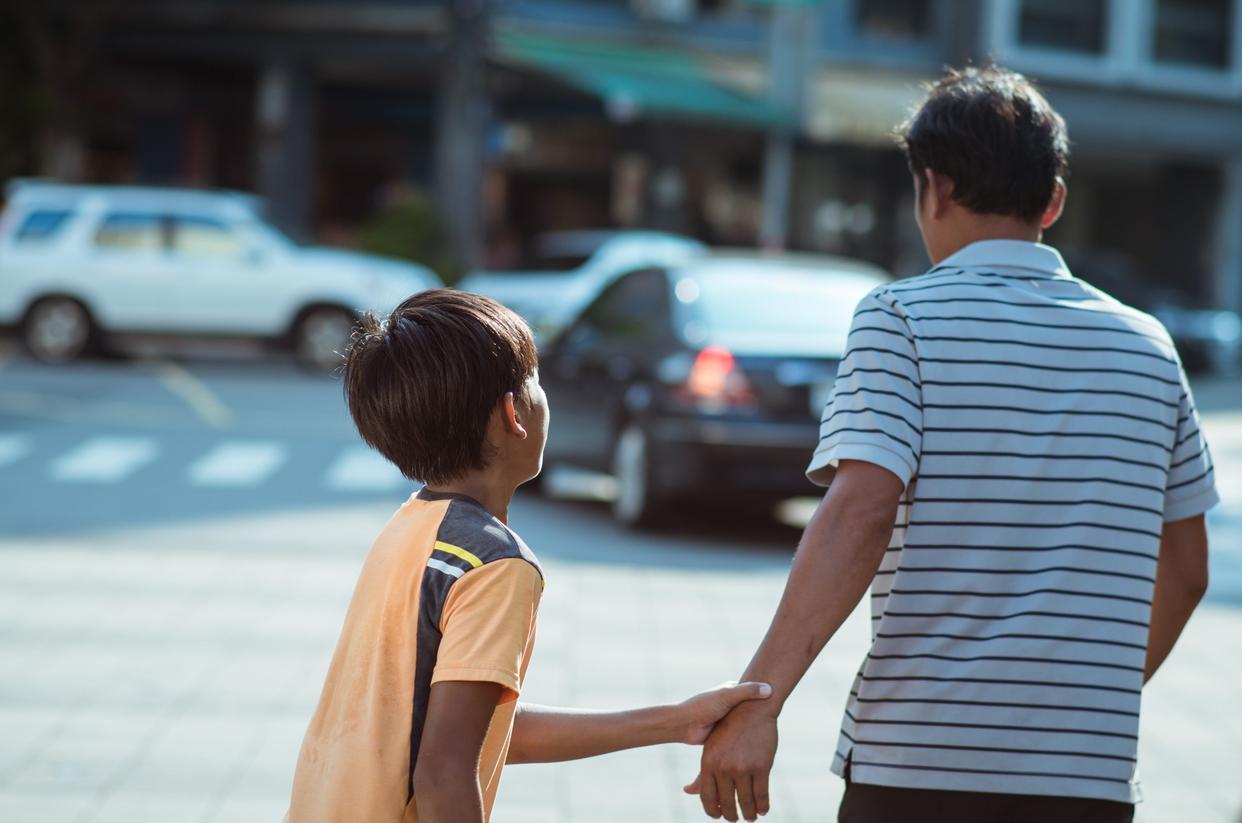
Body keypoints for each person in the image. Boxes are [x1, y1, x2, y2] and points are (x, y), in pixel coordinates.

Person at [687, 65, 1218, 823]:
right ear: (1055, 200)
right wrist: (1090, 702)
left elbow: (859, 510)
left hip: (920, 761)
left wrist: (757, 700)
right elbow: (1188, 568)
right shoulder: (1149, 347)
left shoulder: (900, 317)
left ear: (930, 188)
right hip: (1088, 778)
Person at [284, 289, 771, 823]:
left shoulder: (411, 529)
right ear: (513, 412)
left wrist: (677, 721)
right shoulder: (494, 564)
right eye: (535, 379)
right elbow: (444, 770)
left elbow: (476, 733)